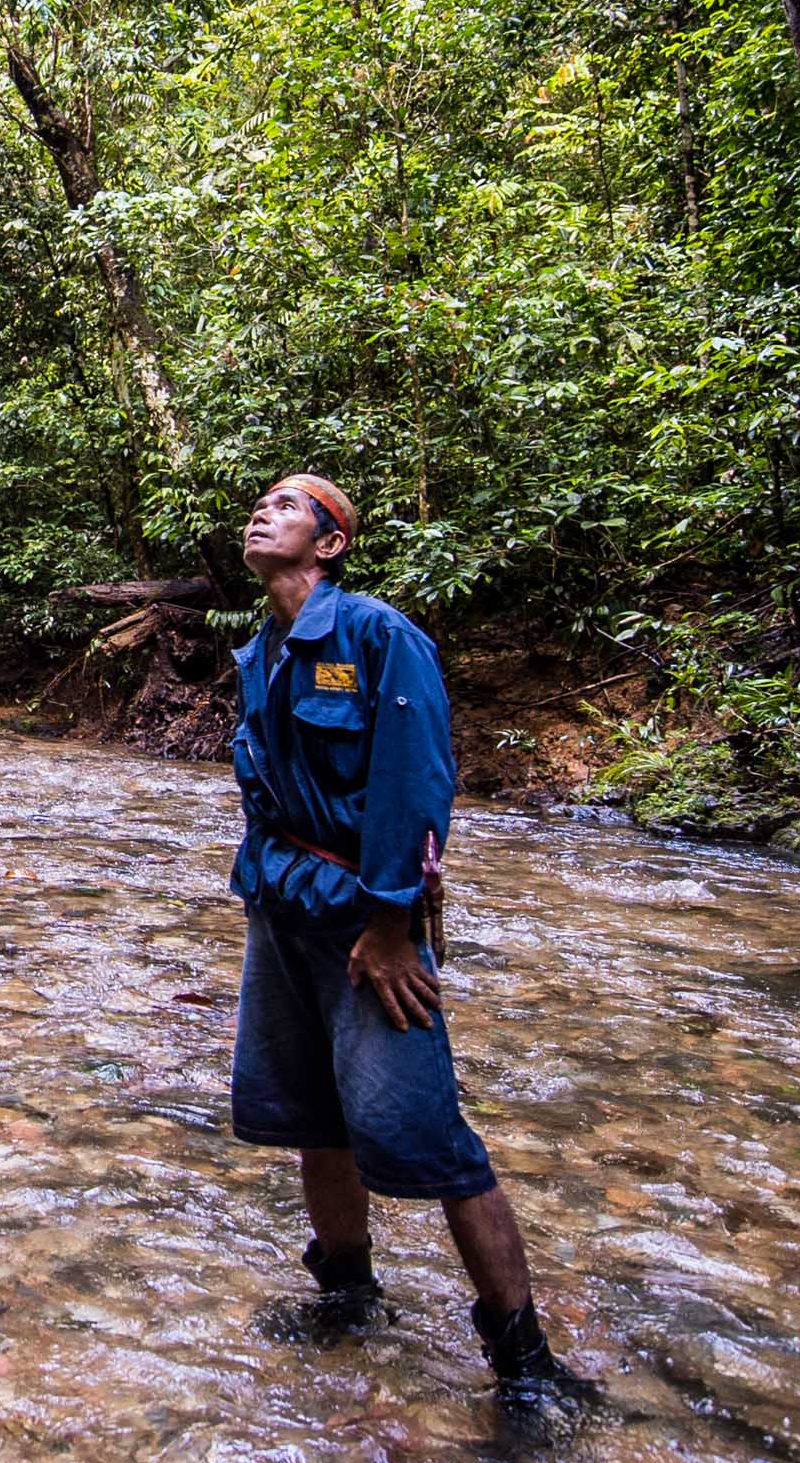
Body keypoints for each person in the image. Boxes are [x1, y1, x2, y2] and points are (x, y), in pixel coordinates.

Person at [224, 473, 586, 1399]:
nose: (263, 512)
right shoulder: (260, 653)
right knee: (311, 1115)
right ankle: (347, 1295)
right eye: (260, 504)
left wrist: (392, 925)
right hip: (284, 912)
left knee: (424, 1130)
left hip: (366, 921)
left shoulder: (379, 636)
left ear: (331, 543)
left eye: (289, 506)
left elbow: (417, 783)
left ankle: (523, 1357)